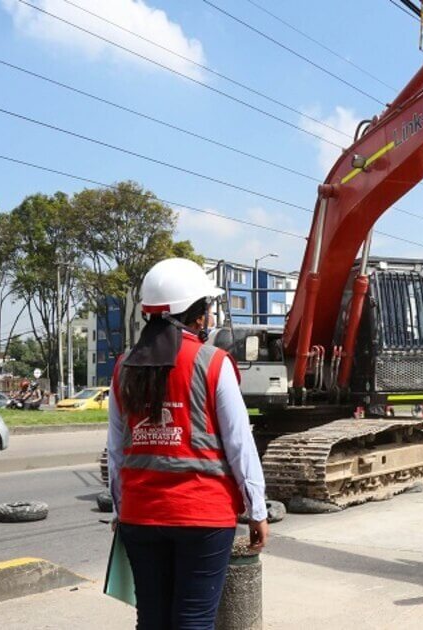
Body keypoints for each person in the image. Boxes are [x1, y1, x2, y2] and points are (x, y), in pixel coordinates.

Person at [107, 257, 268, 629]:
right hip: (203, 514)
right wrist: (256, 510)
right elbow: (239, 443)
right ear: (196, 315)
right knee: (193, 620)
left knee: (152, 619)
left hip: (140, 514)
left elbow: (115, 450)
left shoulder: (123, 366)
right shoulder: (213, 363)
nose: (208, 316)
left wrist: (120, 509)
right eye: (206, 308)